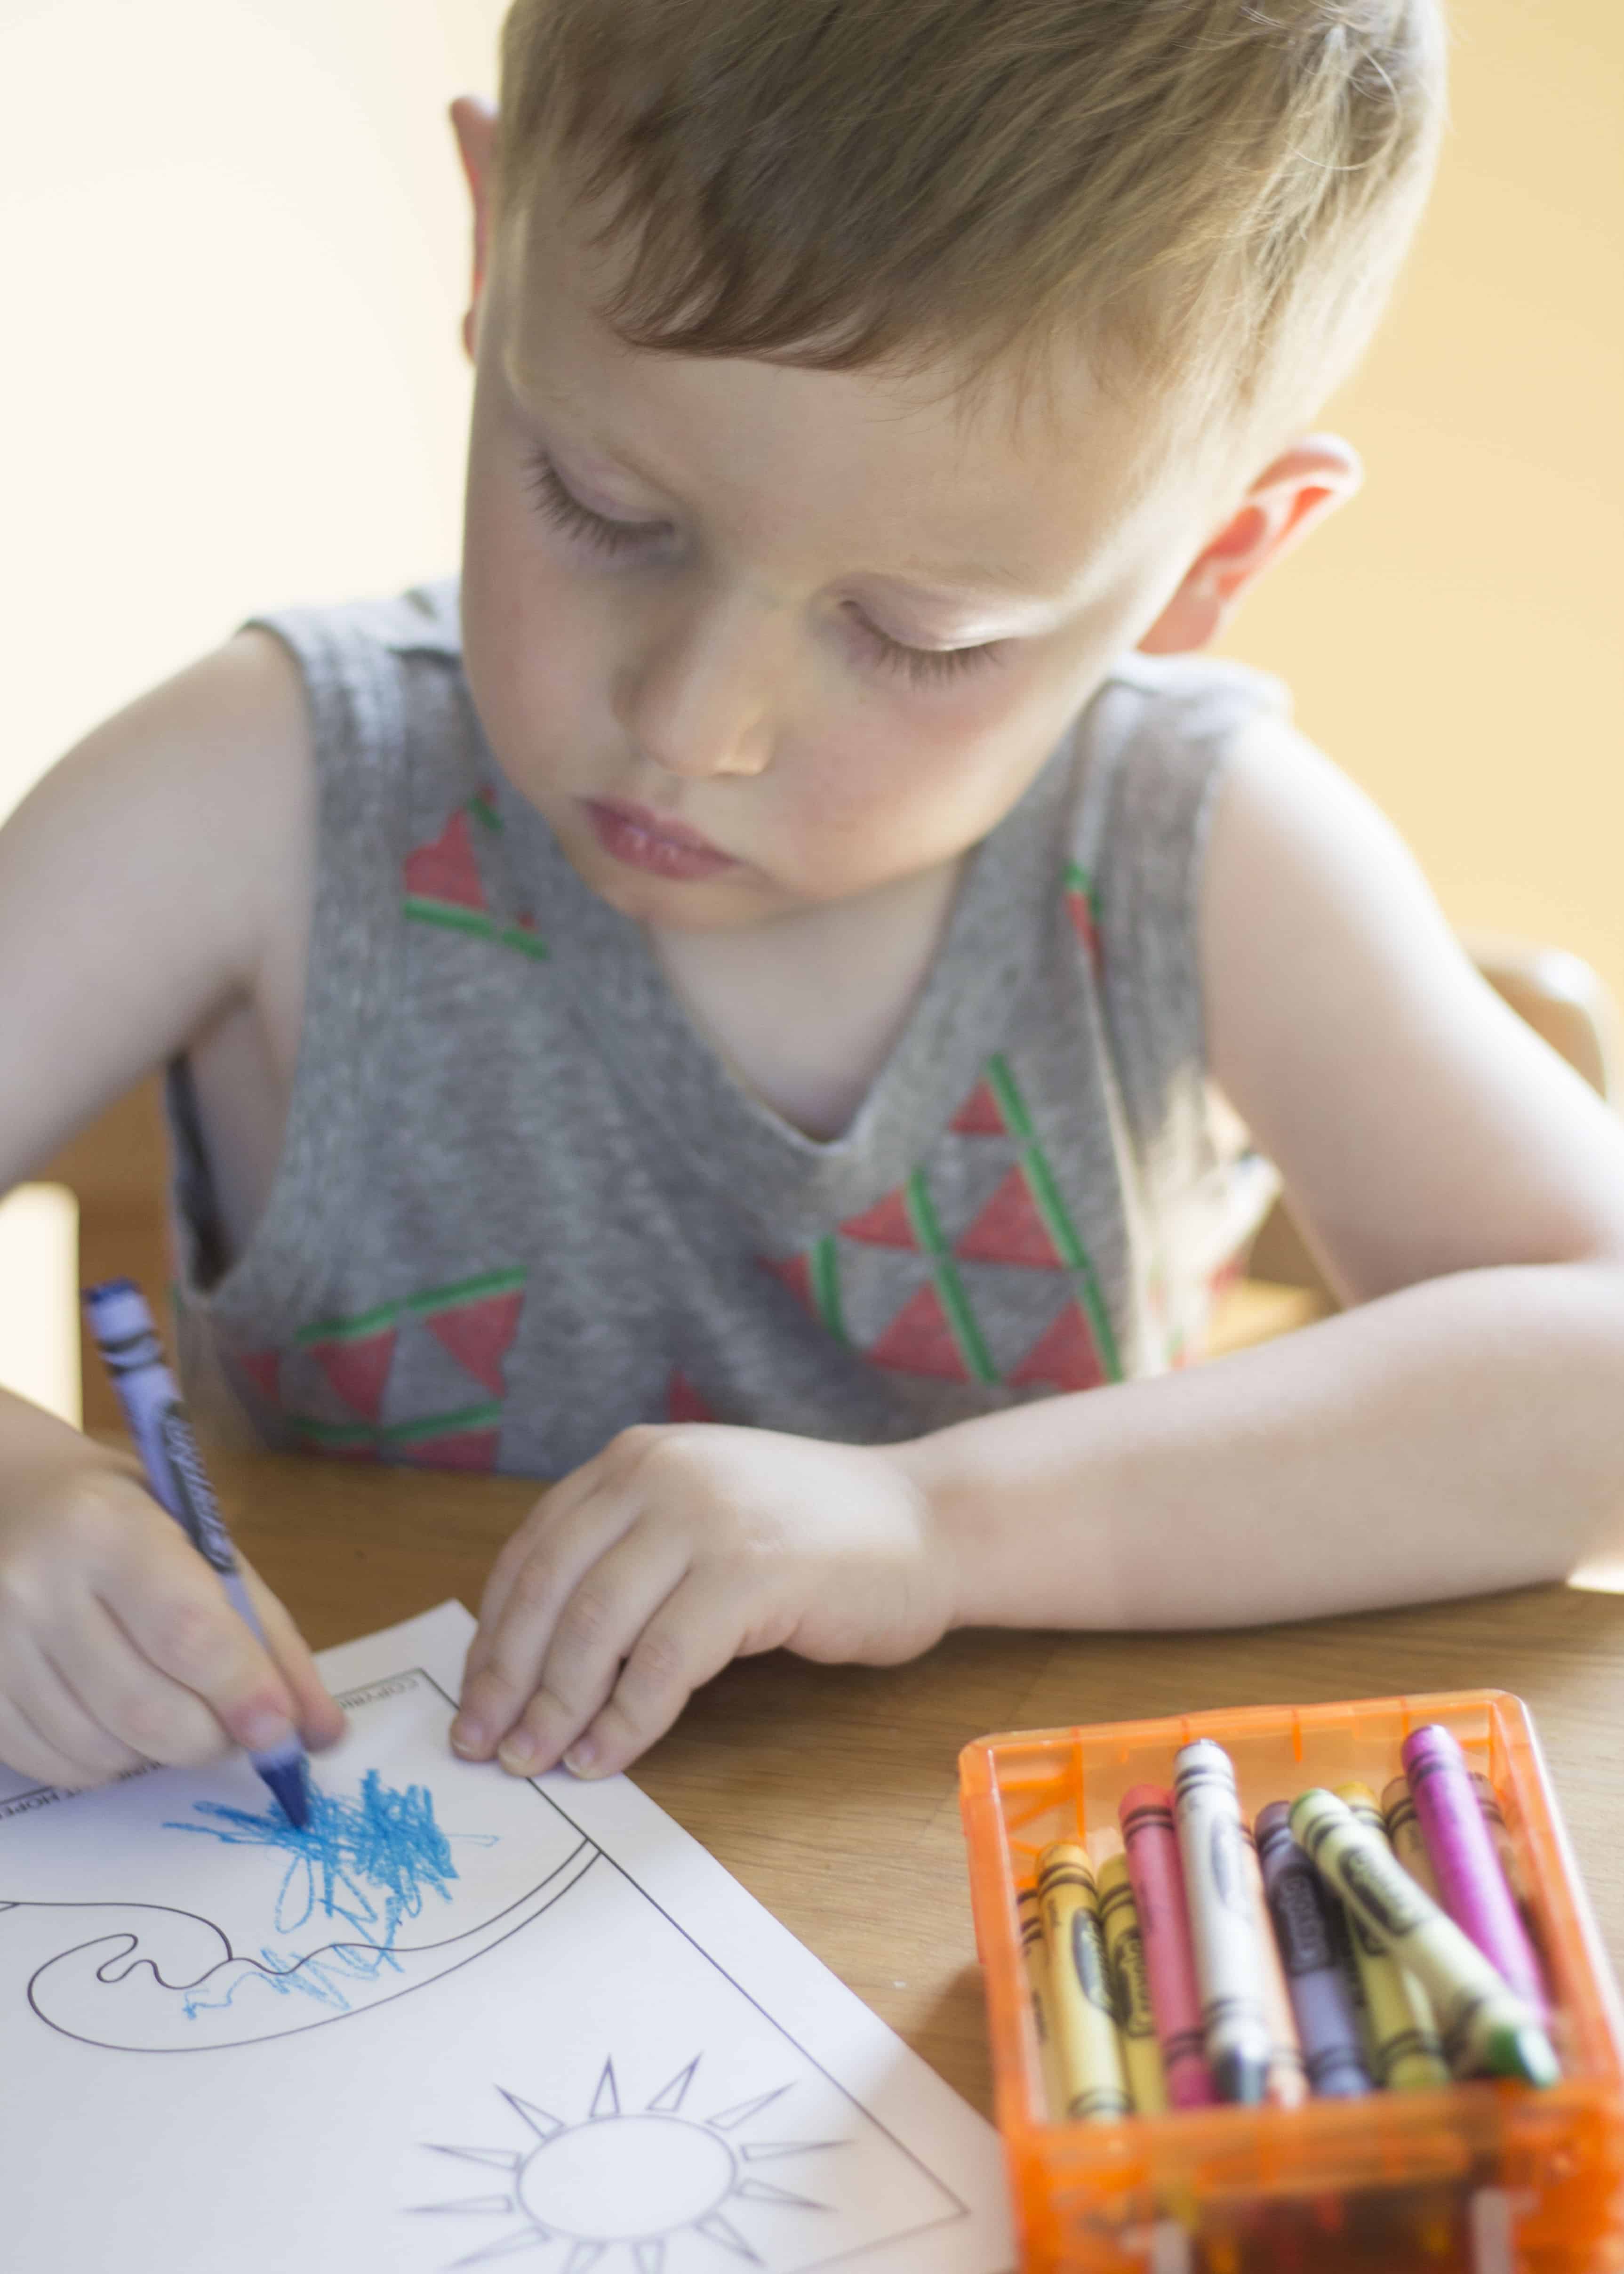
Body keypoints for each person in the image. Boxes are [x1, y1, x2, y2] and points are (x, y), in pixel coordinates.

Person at [2, 0, 1622, 1805]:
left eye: (915, 634)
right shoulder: (261, 786)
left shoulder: (1198, 849)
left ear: (1218, 555)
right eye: (603, 506)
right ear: (492, 243)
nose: (696, 725)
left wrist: (932, 1524)